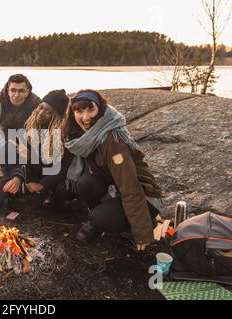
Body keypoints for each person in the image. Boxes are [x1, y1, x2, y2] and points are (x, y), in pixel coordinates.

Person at [60, 89, 164, 251]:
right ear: (73, 113)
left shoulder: (111, 140)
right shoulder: (83, 136)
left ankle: (135, 223)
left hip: (143, 197)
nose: (85, 117)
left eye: (91, 110)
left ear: (100, 110)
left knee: (99, 217)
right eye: (79, 111)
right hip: (115, 187)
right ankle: (103, 219)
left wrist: (142, 233)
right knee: (86, 182)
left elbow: (130, 186)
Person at [23, 89, 72, 207]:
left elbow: (64, 168)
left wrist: (42, 185)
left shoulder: (63, 135)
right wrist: (29, 180)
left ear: (56, 116)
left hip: (56, 178)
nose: (41, 113)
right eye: (40, 107)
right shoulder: (31, 127)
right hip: (37, 174)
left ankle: (52, 196)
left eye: (48, 111)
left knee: (62, 190)